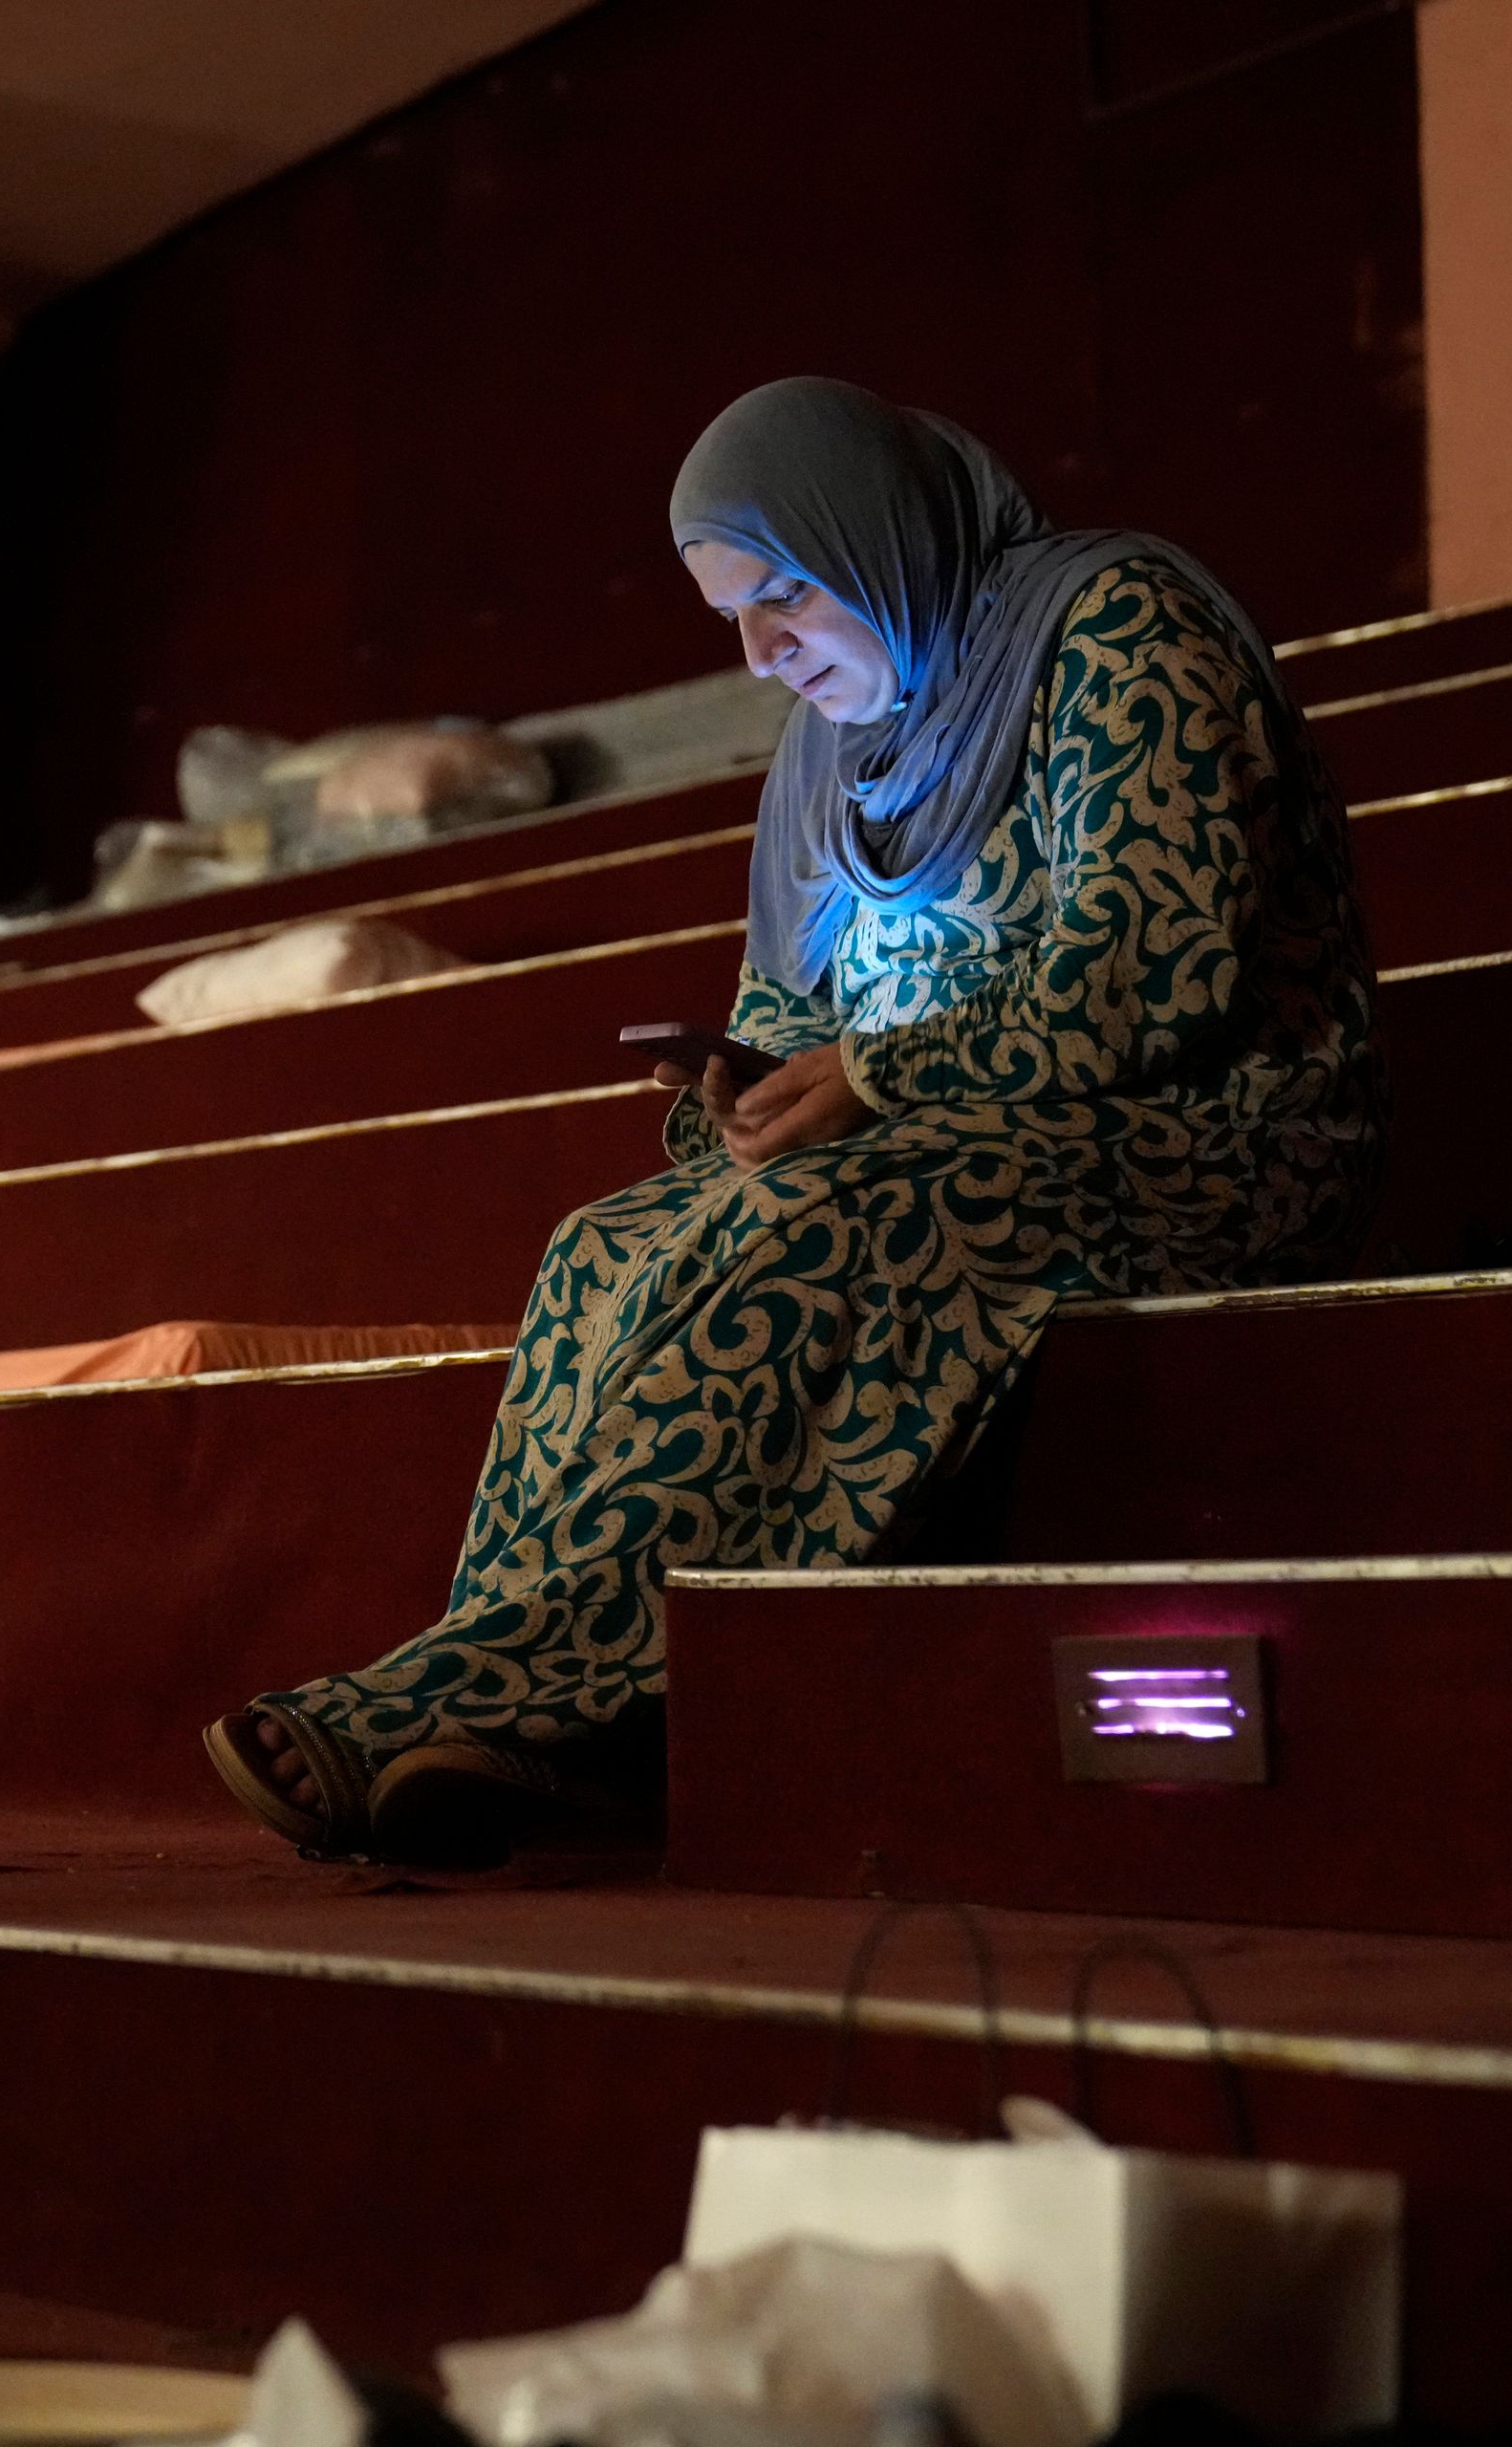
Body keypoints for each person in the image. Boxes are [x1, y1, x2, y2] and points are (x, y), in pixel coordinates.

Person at [205, 377, 1387, 1866]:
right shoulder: (830, 746)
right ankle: (526, 1721)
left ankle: (532, 1704)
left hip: (1217, 1138)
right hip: (947, 1139)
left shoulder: (1117, 632)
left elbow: (1159, 965)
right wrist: (744, 1098)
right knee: (601, 1250)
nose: (765, 658)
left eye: (786, 600)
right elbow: (798, 1021)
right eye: (733, 622)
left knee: (849, 1206)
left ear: (875, 536)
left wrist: (878, 1086)